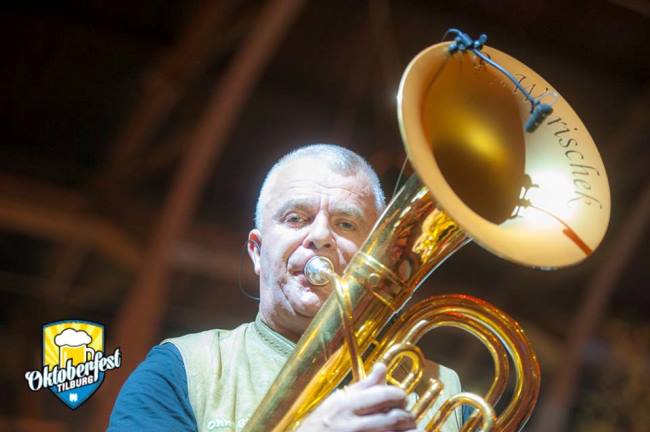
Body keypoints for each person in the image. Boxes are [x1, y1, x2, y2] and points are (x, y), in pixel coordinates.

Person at [108, 144, 463, 431]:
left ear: (380, 255)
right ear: (258, 252)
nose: (321, 236)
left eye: (346, 223)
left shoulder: (442, 390)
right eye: (296, 219)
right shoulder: (180, 372)